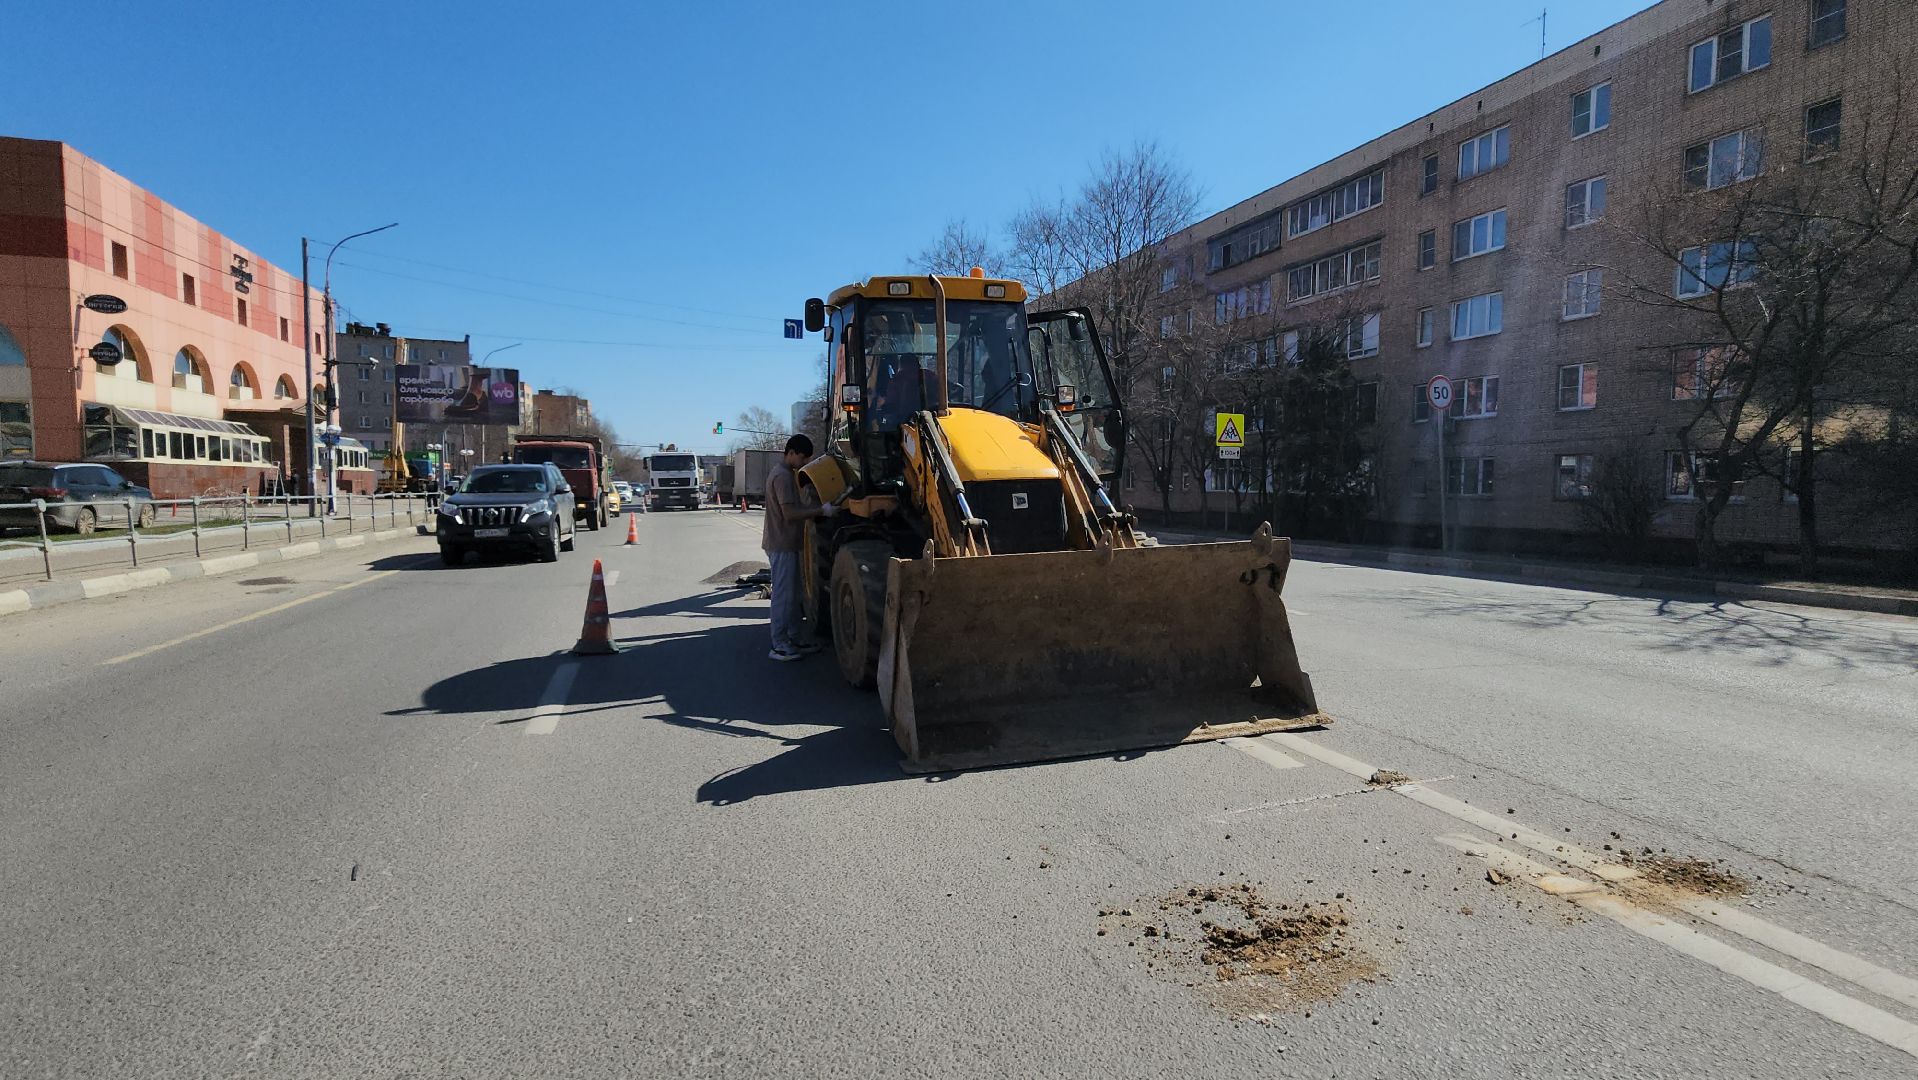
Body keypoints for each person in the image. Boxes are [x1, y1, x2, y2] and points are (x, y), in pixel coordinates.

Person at [762, 433, 835, 662]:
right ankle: (779, 644)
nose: (804, 463)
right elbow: (789, 513)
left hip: (788, 543)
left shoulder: (788, 474)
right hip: (781, 543)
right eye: (802, 458)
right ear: (791, 452)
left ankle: (795, 637)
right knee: (783, 596)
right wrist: (820, 511)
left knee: (794, 596)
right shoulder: (782, 477)